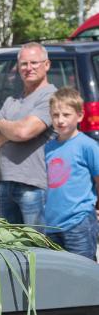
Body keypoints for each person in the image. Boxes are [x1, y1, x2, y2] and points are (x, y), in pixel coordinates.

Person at [0, 42, 56, 227]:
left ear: (46, 65)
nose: (28, 68)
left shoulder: (50, 97)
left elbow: (24, 132)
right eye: (24, 64)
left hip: (34, 186)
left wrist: (0, 124)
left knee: (38, 248)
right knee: (11, 249)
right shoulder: (12, 100)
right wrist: (14, 131)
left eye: (34, 62)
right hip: (5, 184)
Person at [44, 87, 99, 259]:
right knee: (59, 274)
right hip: (52, 225)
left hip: (79, 222)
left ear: (80, 116)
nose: (60, 120)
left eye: (66, 115)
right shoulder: (48, 147)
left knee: (83, 273)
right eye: (55, 115)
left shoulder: (87, 145)